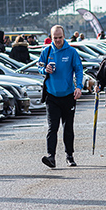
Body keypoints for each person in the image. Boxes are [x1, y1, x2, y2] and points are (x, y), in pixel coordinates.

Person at [37, 25, 84, 168]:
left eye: (60, 37)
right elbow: (39, 67)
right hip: (52, 96)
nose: (57, 40)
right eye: (55, 38)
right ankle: (51, 156)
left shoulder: (71, 52)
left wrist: (79, 87)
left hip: (68, 95)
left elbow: (79, 69)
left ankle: (69, 156)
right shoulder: (47, 51)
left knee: (68, 127)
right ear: (51, 37)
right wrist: (45, 70)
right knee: (53, 128)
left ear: (64, 36)